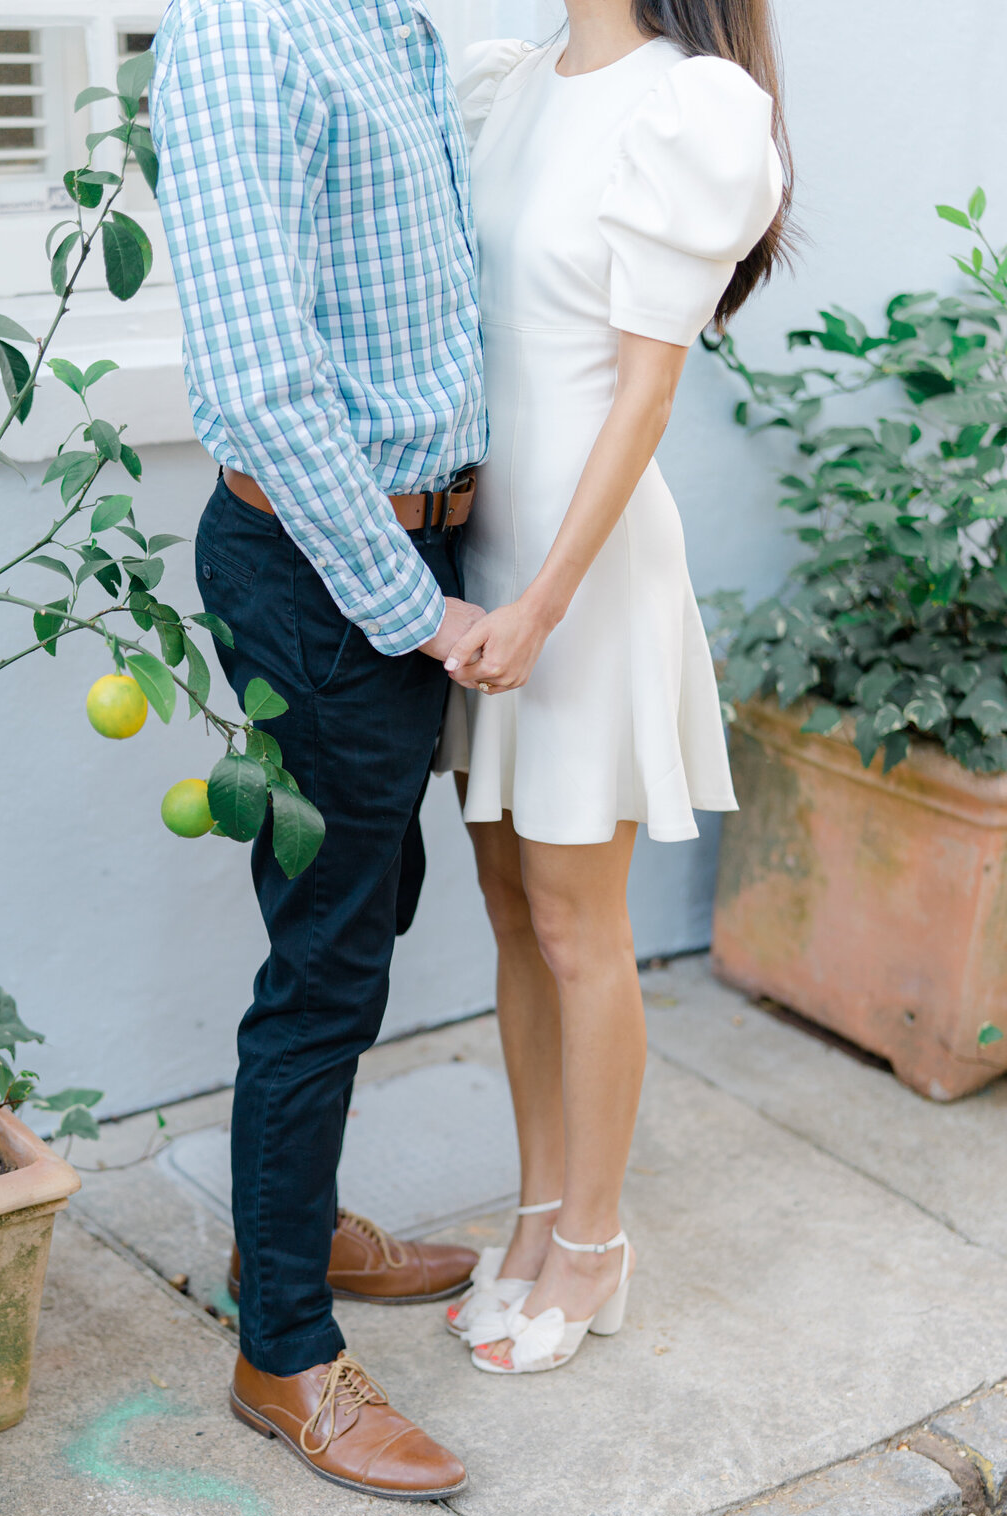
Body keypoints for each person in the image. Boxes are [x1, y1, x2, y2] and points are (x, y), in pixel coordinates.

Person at [150, 0, 489, 1497]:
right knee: (328, 961)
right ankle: (282, 1344)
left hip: (398, 574)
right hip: (330, 574)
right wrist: (415, 607)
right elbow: (263, 382)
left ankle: (296, 1223)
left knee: (368, 914)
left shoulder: (387, 24)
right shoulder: (243, 33)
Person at [437, 0, 791, 1374]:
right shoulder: (511, 86)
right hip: (485, 565)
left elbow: (644, 393)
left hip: (579, 580)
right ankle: (535, 1215)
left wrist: (542, 602)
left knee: (580, 924)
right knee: (513, 911)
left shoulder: (689, 106)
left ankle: (594, 1244)